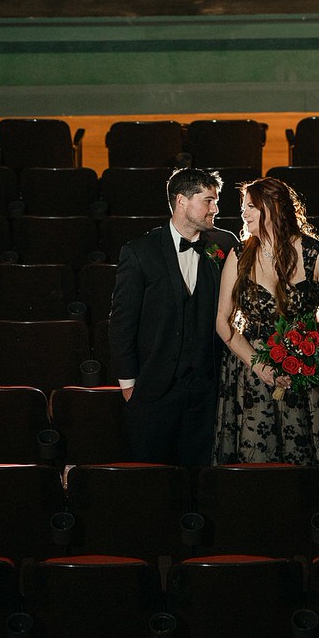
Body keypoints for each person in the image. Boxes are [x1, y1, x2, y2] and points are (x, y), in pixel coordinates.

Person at [213, 176, 319, 466]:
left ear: (274, 208)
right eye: (243, 207)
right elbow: (224, 322)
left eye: (251, 206)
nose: (243, 213)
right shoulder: (238, 256)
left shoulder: (315, 253)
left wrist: (311, 352)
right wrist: (258, 365)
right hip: (251, 371)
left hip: (305, 372)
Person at [108, 166, 240, 468]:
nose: (215, 208)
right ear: (182, 201)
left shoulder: (225, 244)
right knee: (153, 477)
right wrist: (129, 385)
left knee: (203, 477)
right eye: (208, 200)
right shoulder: (139, 252)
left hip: (208, 391)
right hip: (154, 391)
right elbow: (122, 323)